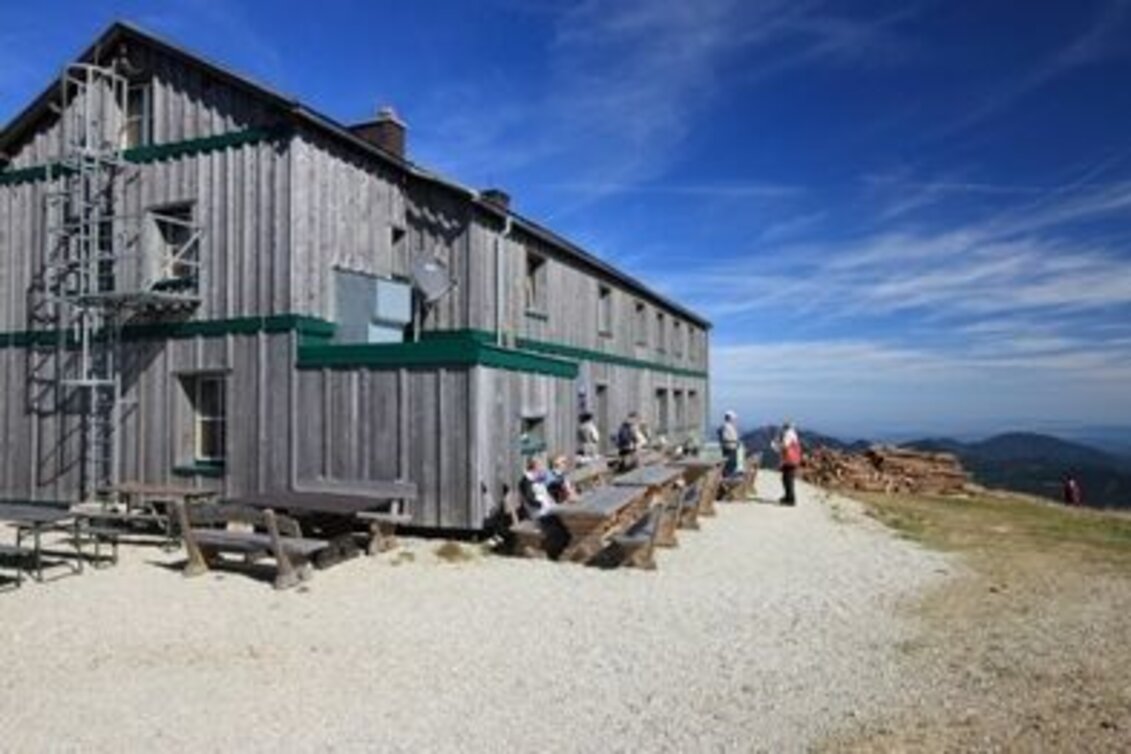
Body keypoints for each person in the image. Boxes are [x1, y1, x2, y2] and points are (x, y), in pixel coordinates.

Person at [518, 456, 557, 520]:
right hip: (534, 511)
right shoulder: (527, 481)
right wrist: (543, 504)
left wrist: (549, 499)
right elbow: (530, 498)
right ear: (535, 467)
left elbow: (544, 492)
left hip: (542, 508)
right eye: (540, 465)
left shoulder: (536, 478)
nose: (542, 468)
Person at [773, 421, 802, 506]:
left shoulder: (788, 434)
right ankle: (788, 497)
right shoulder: (792, 433)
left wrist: (776, 445)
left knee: (787, 479)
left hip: (789, 460)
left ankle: (790, 499)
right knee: (787, 478)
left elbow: (785, 445)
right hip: (792, 459)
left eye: (784, 426)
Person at [718, 411, 740, 477]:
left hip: (731, 448)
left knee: (731, 464)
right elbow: (726, 438)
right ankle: (729, 477)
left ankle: (730, 475)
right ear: (730, 418)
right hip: (730, 448)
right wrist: (734, 442)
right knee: (730, 464)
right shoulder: (726, 427)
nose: (735, 420)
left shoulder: (729, 426)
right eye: (733, 418)